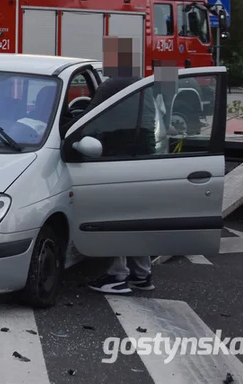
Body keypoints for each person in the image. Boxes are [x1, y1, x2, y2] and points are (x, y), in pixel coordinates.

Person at [86, 36, 156, 294]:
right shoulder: (141, 83)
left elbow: (89, 117)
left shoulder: (111, 85)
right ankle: (142, 274)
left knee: (117, 217)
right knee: (137, 217)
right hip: (145, 156)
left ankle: (117, 275)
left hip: (121, 158)